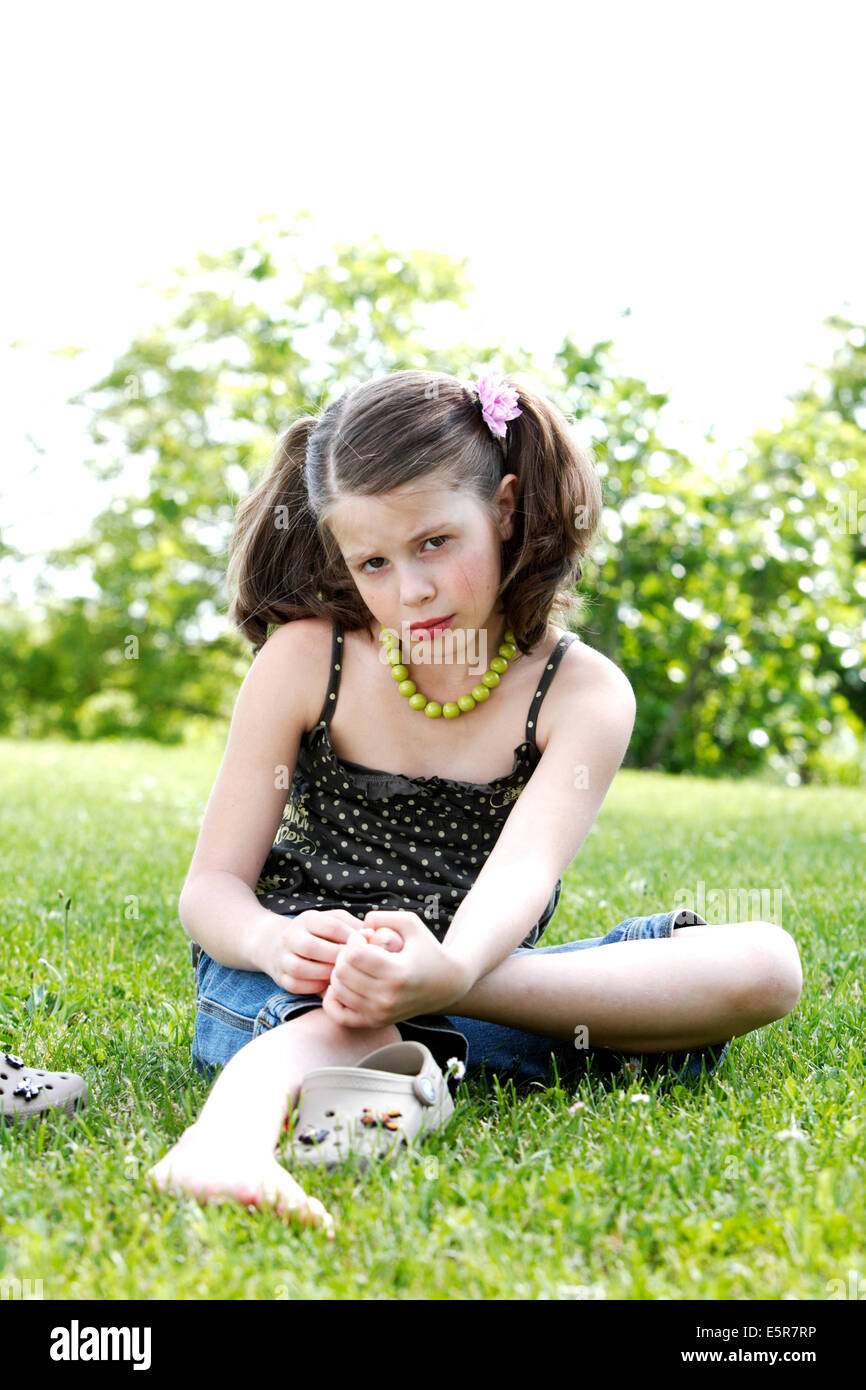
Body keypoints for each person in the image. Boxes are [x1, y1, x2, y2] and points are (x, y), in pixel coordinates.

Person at [147, 366, 803, 1234]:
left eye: (433, 544)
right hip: (302, 983)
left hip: (482, 975)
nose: (409, 589)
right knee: (346, 1013)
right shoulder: (310, 658)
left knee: (765, 964)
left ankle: (410, 1062)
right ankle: (225, 1140)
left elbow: (522, 877)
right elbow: (210, 892)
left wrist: (446, 971)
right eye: (372, 562)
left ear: (501, 507)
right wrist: (274, 940)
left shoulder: (581, 693)